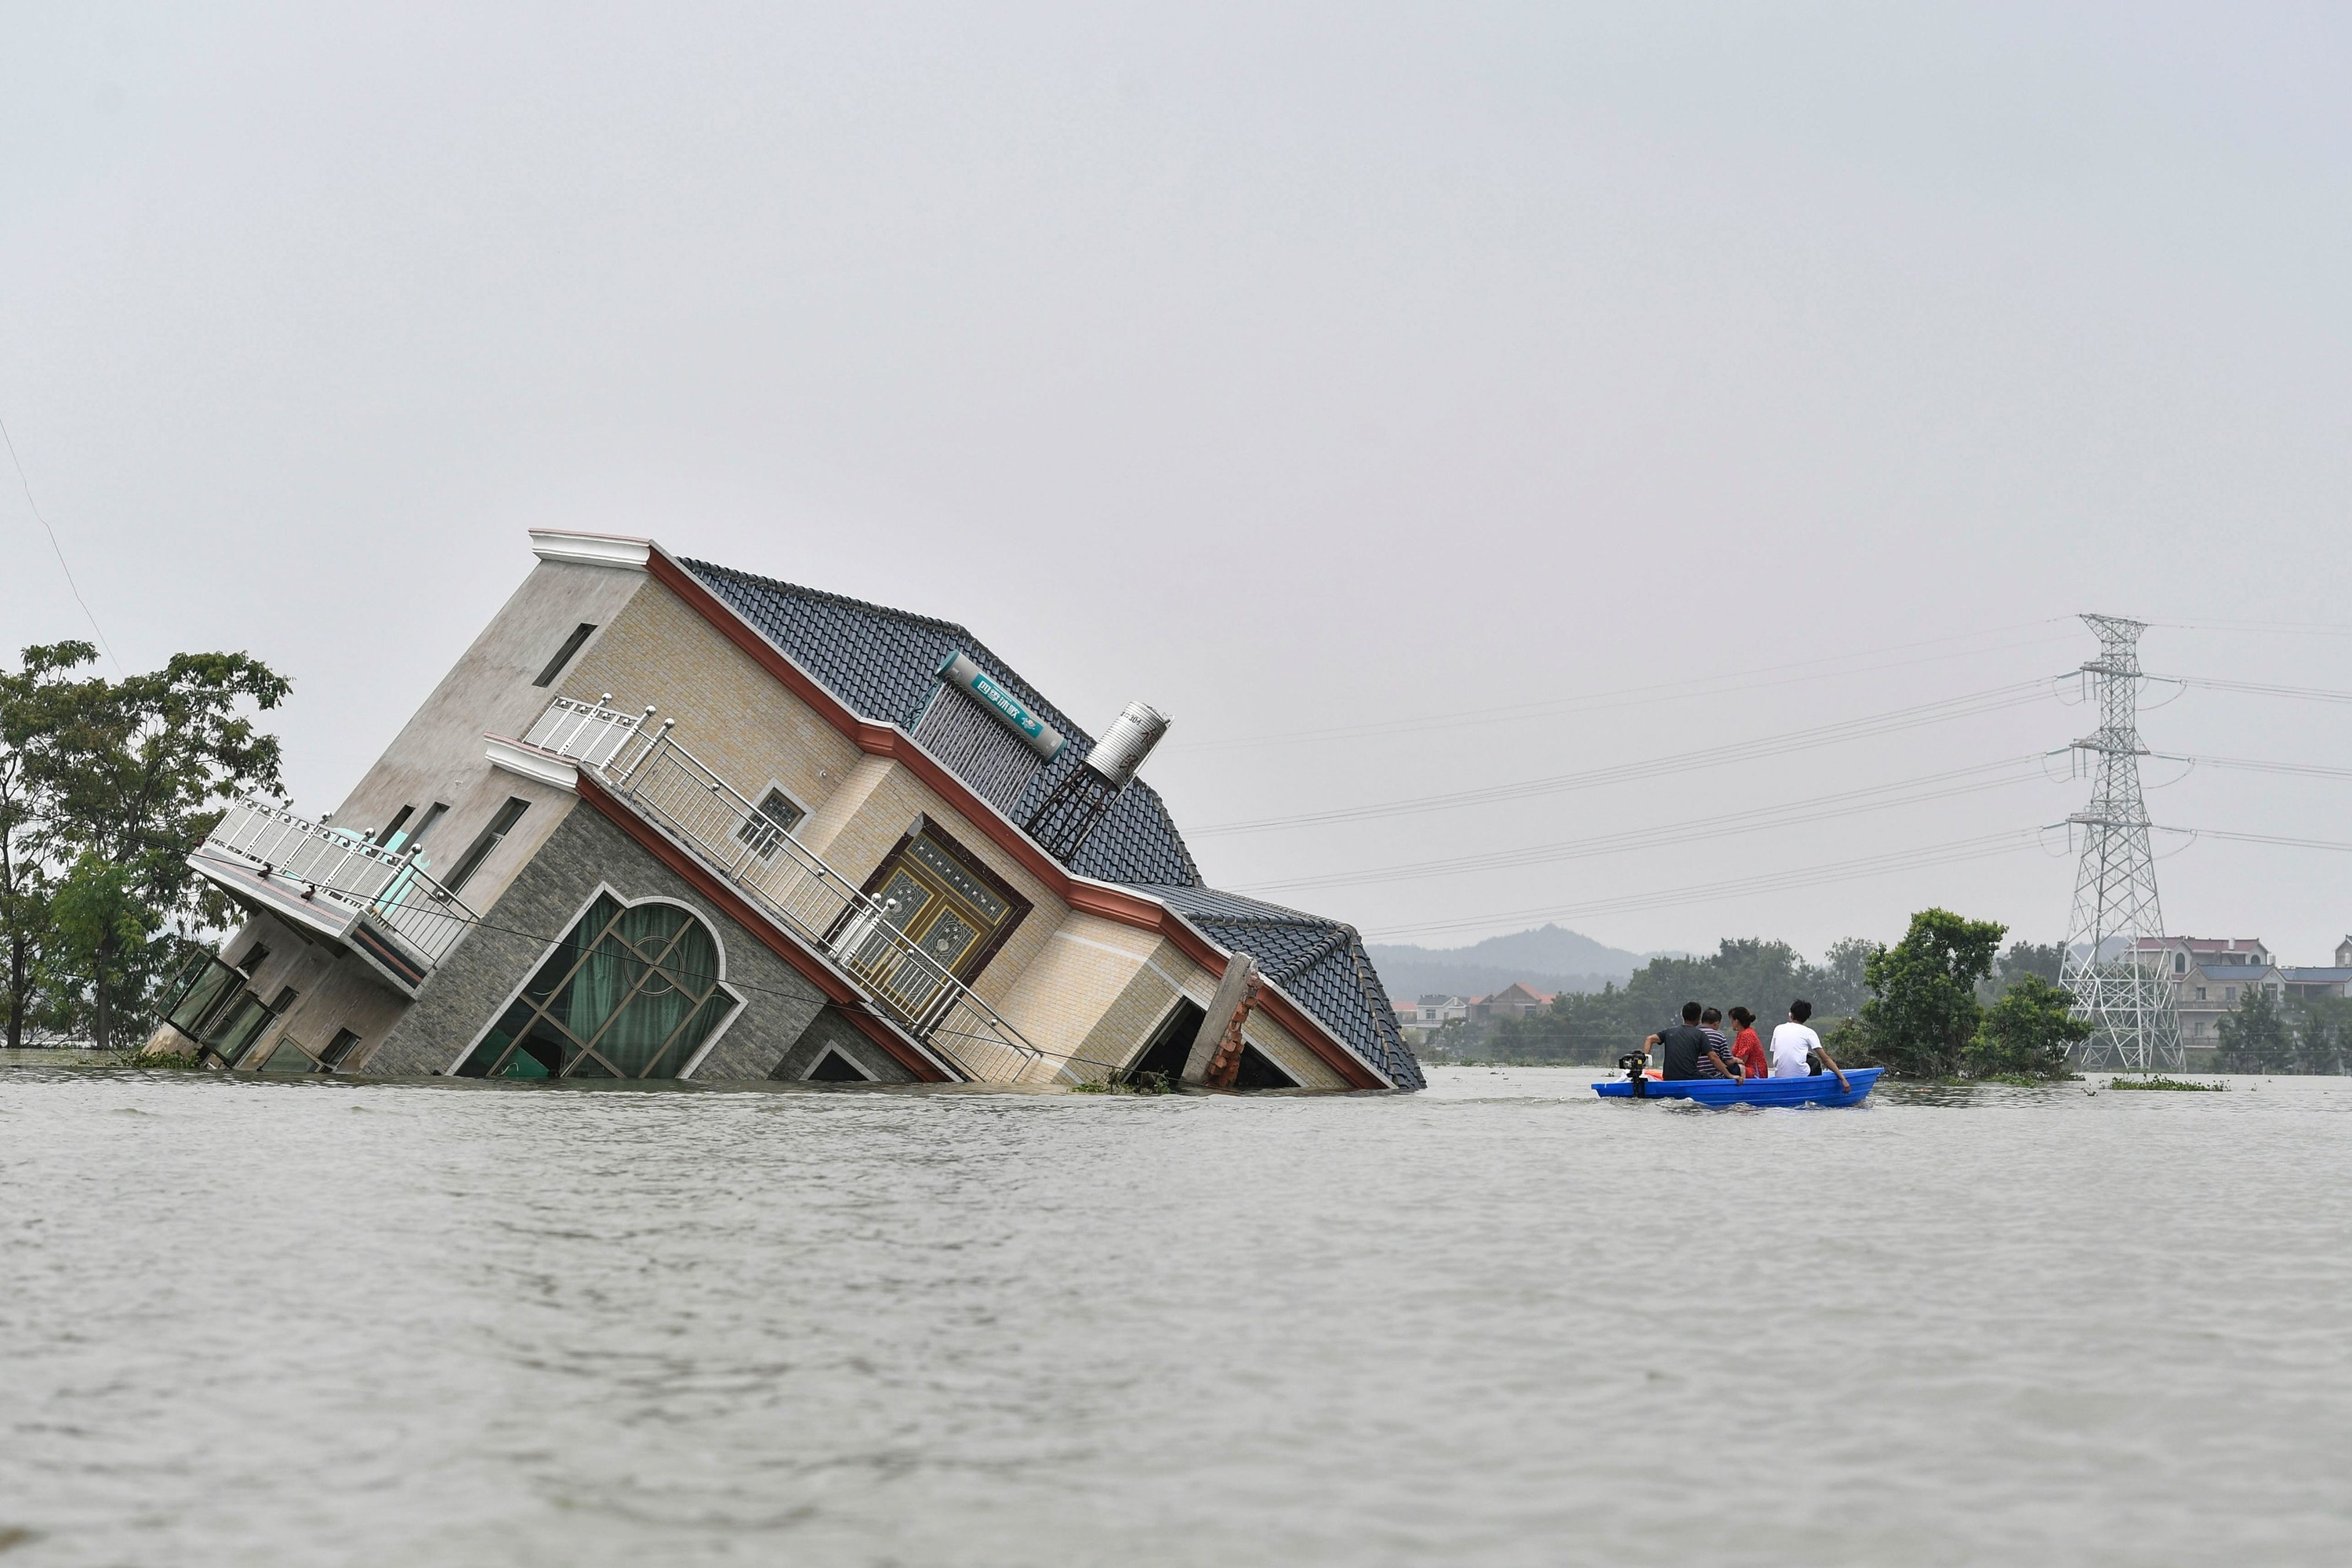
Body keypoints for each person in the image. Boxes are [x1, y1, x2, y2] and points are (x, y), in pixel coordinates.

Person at [1769, 1000, 1849, 1091]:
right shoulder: (1809, 1032)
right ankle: (1813, 1091)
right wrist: (1843, 1079)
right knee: (1815, 1062)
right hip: (1801, 1075)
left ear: (1791, 1015)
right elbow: (1826, 1059)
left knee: (1807, 1056)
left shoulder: (1778, 1029)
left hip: (1779, 1075)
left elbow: (1779, 1052)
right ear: (1806, 1018)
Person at [1646, 1001, 1740, 1080]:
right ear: (1699, 1018)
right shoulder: (1700, 1035)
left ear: (1683, 1015)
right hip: (1690, 1077)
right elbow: (1713, 1058)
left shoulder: (1669, 1031)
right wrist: (1730, 1075)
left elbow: (1649, 1039)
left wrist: (1645, 1063)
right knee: (1715, 1077)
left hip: (1668, 1077)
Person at [1727, 1006, 1769, 1081]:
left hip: (1754, 1072)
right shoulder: (1742, 1034)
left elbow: (1742, 1060)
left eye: (1732, 1020)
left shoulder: (1747, 1035)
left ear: (1736, 1021)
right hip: (1746, 1069)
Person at [1700, 1007, 1740, 1079]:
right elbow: (1728, 1061)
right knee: (1740, 1068)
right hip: (1715, 1077)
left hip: (1696, 1075)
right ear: (1716, 1023)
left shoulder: (1693, 1035)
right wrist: (1737, 1060)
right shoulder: (1719, 1036)